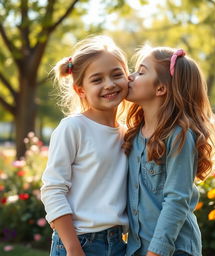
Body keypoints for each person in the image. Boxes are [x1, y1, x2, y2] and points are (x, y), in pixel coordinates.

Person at [123, 46, 215, 256]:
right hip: (138, 248)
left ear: (160, 89)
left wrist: (156, 252)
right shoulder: (134, 135)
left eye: (141, 72)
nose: (130, 77)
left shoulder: (179, 136)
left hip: (175, 249)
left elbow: (176, 199)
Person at [41, 35, 129, 256]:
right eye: (97, 79)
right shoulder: (73, 128)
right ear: (81, 90)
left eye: (117, 74)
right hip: (79, 243)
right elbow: (53, 190)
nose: (109, 84)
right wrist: (73, 248)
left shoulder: (127, 132)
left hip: (118, 243)